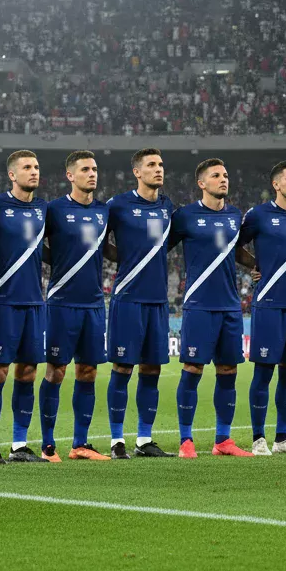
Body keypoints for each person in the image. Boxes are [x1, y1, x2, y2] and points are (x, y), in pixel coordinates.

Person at [172, 158, 251, 458]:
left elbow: (237, 250)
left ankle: (223, 440)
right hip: (199, 305)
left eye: (226, 174)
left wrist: (257, 266)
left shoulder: (234, 215)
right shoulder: (185, 216)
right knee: (192, 368)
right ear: (201, 183)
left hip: (230, 307)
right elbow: (160, 247)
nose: (223, 179)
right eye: (216, 175)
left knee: (228, 370)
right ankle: (185, 440)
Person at [236, 160, 286, 456]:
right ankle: (258, 439)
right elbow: (235, 245)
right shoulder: (258, 215)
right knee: (264, 371)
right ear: (276, 184)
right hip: (268, 303)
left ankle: (283, 439)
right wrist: (252, 265)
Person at [102, 148, 175, 460]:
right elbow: (98, 240)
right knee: (122, 368)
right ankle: (117, 440)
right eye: (151, 165)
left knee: (152, 369)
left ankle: (144, 440)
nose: (158, 169)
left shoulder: (168, 206)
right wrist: (126, 260)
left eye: (160, 164)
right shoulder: (117, 205)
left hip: (157, 301)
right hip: (128, 300)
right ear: (137, 172)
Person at [43, 151, 112, 461]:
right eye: (85, 169)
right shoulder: (54, 210)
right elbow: (31, 245)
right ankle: (47, 446)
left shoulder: (104, 211)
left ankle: (80, 444)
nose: (92, 174)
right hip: (61, 303)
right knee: (56, 372)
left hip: (95, 305)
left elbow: (108, 248)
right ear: (70, 175)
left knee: (88, 372)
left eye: (95, 169)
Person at [0, 150, 50, 464]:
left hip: (35, 302)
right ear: (12, 175)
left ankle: (20, 445)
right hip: (3, 301)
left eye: (36, 167)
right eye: (27, 167)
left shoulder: (43, 209)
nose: (33, 172)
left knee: (28, 372)